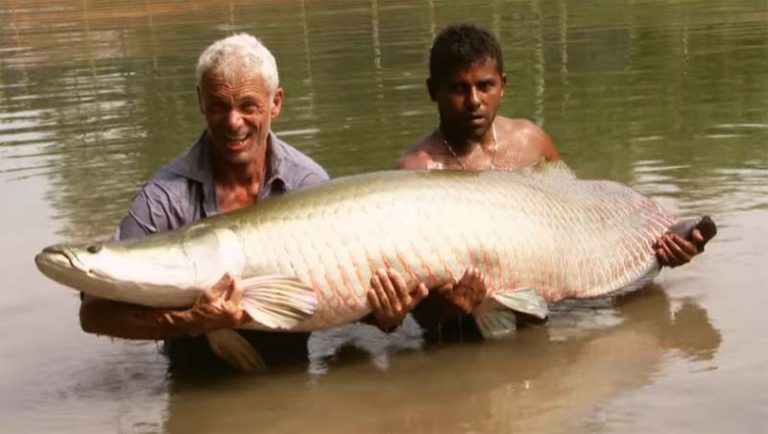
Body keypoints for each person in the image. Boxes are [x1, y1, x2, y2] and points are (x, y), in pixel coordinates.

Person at [78, 33, 398, 372]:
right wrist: (186, 322)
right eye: (219, 106)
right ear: (200, 101)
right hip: (193, 375)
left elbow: (335, 292)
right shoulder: (164, 197)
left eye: (248, 106)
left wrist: (384, 316)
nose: (233, 122)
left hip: (289, 368)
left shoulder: (307, 183)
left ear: (275, 103)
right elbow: (94, 314)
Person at [366, 23, 709, 334]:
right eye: (458, 88)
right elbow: (418, 316)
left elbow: (582, 222)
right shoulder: (414, 175)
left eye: (485, 86)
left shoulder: (530, 142)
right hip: (465, 339)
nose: (474, 101)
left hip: (549, 320)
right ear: (432, 91)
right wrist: (447, 309)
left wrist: (660, 251)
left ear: (503, 85)